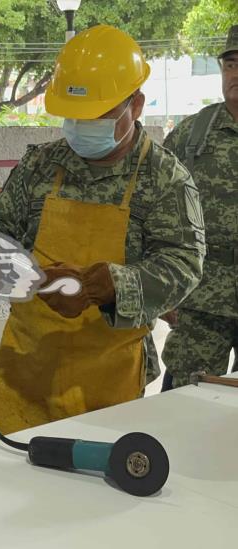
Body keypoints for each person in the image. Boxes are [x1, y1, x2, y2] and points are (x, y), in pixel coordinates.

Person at [0, 25, 205, 447]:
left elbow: (184, 263)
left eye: (100, 114)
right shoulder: (40, 165)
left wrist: (108, 287)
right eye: (75, 116)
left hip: (106, 384)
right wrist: (16, 270)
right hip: (22, 372)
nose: (83, 126)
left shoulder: (165, 179)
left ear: (137, 104)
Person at [160, 25, 238, 390]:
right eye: (230, 64)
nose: (235, 74)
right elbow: (152, 212)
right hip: (200, 300)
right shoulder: (191, 135)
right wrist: (161, 290)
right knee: (185, 404)